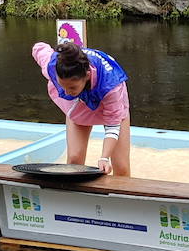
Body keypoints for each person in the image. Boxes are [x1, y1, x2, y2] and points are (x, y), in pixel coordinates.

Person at [32, 40, 131, 175]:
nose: (66, 93)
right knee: (74, 160)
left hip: (109, 102)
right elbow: (39, 48)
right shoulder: (53, 66)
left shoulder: (111, 86)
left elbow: (112, 126)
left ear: (88, 75)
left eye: (72, 87)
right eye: (62, 86)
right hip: (79, 106)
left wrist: (104, 157)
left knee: (121, 167)